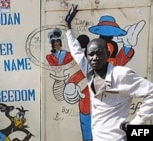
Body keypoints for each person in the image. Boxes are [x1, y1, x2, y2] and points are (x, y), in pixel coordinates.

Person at [65, 4, 153, 140]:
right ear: (87, 56)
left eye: (100, 53)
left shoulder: (121, 74)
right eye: (91, 54)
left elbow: (151, 92)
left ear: (108, 53)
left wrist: (136, 124)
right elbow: (76, 52)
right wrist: (68, 27)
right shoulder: (89, 71)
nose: (95, 58)